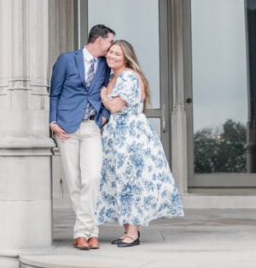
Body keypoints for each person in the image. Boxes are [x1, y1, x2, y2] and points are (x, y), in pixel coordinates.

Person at [96, 39, 183, 247]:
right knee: (121, 181)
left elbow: (115, 106)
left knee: (131, 182)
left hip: (131, 136)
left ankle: (133, 234)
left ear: (126, 57)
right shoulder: (112, 77)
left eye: (117, 53)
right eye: (110, 53)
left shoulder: (128, 76)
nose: (112, 56)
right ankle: (128, 230)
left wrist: (102, 95)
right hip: (116, 136)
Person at [50, 24, 115, 250]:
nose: (111, 46)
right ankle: (88, 234)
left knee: (93, 177)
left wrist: (104, 115)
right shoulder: (67, 59)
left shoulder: (105, 65)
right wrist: (52, 122)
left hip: (91, 127)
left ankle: (85, 230)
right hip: (66, 128)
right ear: (99, 40)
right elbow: (55, 92)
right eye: (110, 42)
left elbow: (108, 89)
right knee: (74, 181)